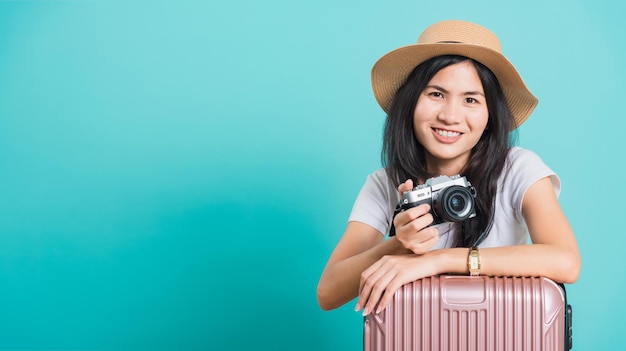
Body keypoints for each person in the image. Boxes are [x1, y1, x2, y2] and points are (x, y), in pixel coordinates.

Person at [316, 20, 581, 316]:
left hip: (501, 334)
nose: (450, 116)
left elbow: (566, 261)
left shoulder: (517, 168)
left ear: (490, 115)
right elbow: (328, 292)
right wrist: (397, 245)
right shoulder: (385, 184)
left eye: (470, 99)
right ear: (411, 101)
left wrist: (439, 260)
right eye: (436, 94)